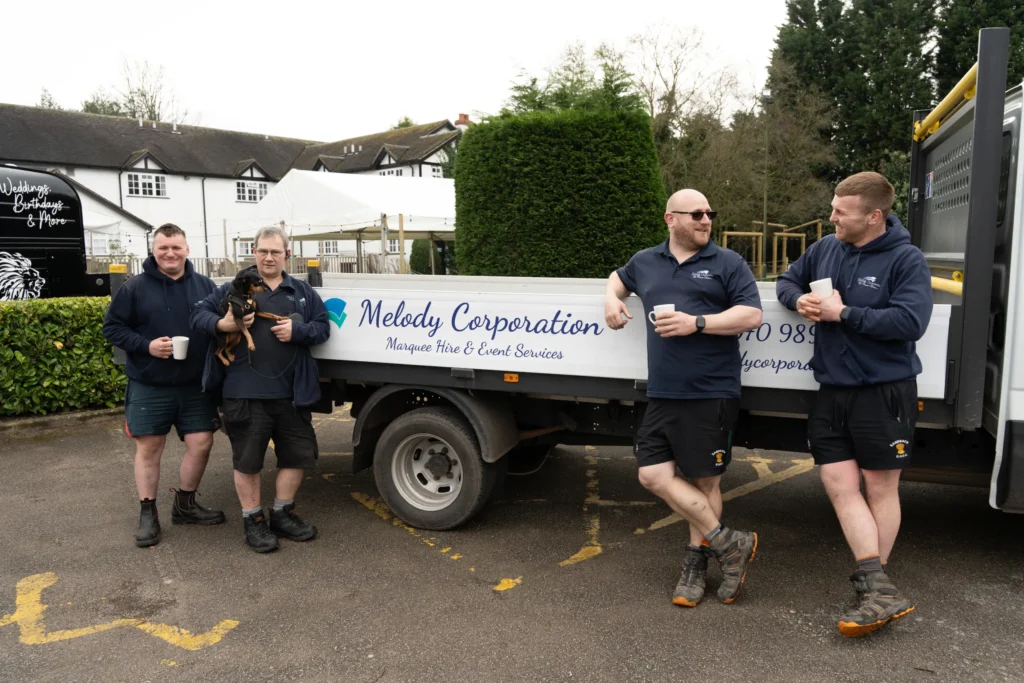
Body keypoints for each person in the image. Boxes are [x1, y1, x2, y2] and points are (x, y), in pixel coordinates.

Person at [776, 172, 933, 637]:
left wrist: (841, 313)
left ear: (874, 216)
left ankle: (873, 591)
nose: (831, 218)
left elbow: (910, 321)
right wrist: (800, 299)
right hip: (832, 389)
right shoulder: (826, 248)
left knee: (879, 489)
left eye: (840, 212)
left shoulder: (905, 259)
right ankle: (878, 588)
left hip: (884, 391)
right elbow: (787, 281)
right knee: (838, 483)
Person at [604, 189, 763, 607]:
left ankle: (695, 564)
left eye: (709, 213)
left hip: (710, 390)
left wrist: (698, 322)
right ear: (670, 219)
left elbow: (752, 314)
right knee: (652, 475)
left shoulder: (727, 262)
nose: (706, 220)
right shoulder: (645, 261)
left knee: (705, 480)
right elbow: (618, 279)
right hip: (663, 390)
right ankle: (730, 543)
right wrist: (610, 299)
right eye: (696, 214)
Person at [190, 226, 330, 553]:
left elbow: (323, 328)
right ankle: (253, 521)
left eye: (276, 252)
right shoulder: (233, 289)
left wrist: (299, 330)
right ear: (254, 252)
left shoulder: (303, 292)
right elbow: (197, 316)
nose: (269, 257)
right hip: (244, 393)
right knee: (248, 461)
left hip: (292, 393)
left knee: (298, 456)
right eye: (263, 251)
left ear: (287, 255)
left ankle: (282, 513)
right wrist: (222, 324)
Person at [102, 223, 225, 547]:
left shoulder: (205, 286)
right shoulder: (135, 287)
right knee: (150, 447)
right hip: (150, 382)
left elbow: (219, 323)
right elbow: (112, 328)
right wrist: (146, 346)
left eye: (176, 247)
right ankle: (148, 512)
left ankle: (185, 505)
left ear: (186, 249)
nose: (170, 253)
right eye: (163, 248)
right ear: (153, 250)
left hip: (195, 384)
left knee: (201, 443)